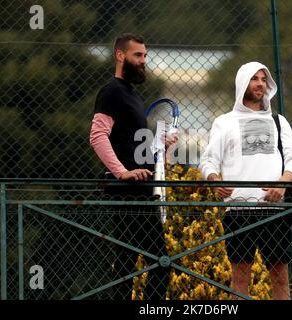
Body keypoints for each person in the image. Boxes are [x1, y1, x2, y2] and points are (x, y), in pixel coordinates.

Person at [199, 61, 292, 300]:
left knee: (280, 277)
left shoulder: (279, 121)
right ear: (242, 83)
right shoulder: (223, 122)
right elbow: (208, 161)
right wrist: (215, 180)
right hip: (239, 210)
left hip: (274, 210)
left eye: (263, 79)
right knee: (240, 278)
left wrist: (282, 184)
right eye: (254, 79)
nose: (259, 84)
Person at [89, 33, 177, 300]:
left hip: (140, 189)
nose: (143, 61)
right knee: (159, 260)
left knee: (128, 263)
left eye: (145, 56)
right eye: (137, 55)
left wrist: (160, 143)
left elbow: (135, 145)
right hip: (128, 190)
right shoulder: (112, 91)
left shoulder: (132, 95)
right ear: (120, 56)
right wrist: (122, 172)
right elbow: (97, 136)